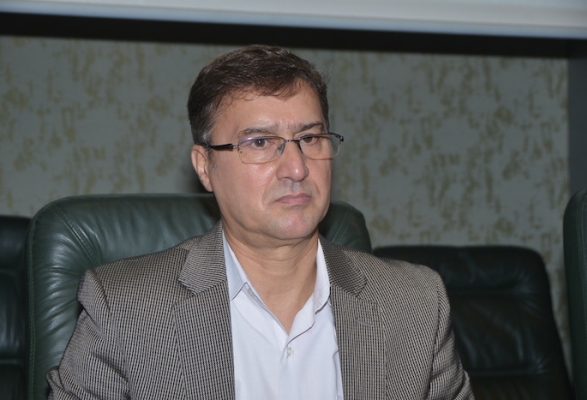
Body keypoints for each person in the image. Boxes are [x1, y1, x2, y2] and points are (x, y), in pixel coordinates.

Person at [47, 44, 473, 399]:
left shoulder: (415, 304)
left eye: (310, 138)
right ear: (205, 167)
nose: (297, 168)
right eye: (260, 142)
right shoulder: (125, 309)